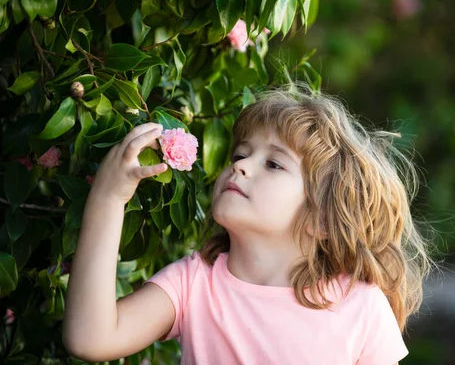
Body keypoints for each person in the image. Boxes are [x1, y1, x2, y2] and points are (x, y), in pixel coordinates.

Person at [63, 84, 432, 364]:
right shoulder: (194, 284)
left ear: (322, 218)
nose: (240, 165)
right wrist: (108, 199)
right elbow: (91, 339)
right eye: (241, 154)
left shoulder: (360, 307)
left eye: (273, 164)